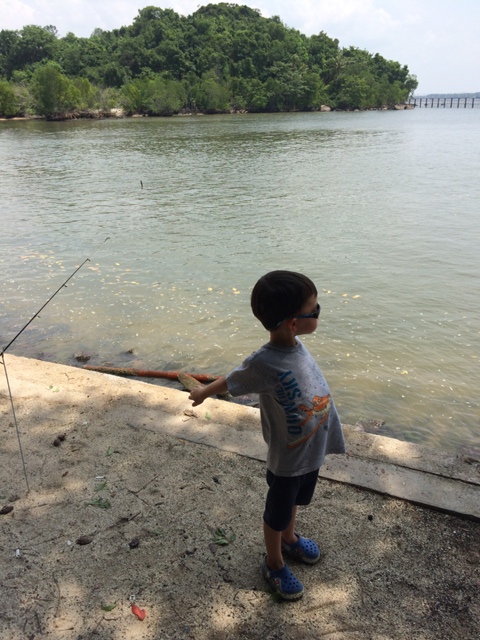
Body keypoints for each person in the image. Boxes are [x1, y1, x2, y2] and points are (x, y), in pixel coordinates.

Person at [189, 270, 346, 600]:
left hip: (310, 452)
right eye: (315, 309)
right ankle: (274, 562)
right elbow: (233, 379)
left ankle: (290, 539)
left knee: (295, 502)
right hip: (287, 460)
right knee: (277, 513)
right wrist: (203, 392)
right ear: (293, 322)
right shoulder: (264, 362)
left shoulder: (296, 346)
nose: (319, 313)